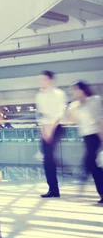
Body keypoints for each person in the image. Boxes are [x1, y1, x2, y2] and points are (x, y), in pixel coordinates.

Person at [67, 81, 103, 204]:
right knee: (94, 167)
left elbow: (99, 119)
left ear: (82, 90)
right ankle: (100, 194)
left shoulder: (94, 100)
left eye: (75, 90)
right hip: (86, 138)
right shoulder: (75, 105)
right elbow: (72, 121)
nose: (73, 93)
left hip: (95, 136)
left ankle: (80, 193)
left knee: (87, 164)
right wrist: (72, 110)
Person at [35, 70, 67, 198]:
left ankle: (54, 189)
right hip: (45, 127)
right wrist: (43, 129)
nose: (41, 81)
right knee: (46, 159)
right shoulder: (39, 95)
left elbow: (61, 113)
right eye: (40, 79)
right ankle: (53, 189)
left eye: (43, 79)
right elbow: (40, 114)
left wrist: (50, 129)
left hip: (57, 127)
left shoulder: (59, 94)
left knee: (49, 156)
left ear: (50, 80)